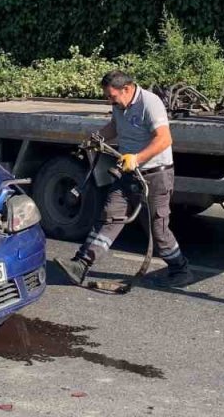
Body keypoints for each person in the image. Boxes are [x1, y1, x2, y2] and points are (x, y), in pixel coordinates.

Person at [55, 70, 192, 288]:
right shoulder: (120, 105)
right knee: (109, 216)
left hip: (156, 175)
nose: (110, 101)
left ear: (126, 89)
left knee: (158, 229)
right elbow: (115, 126)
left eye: (112, 96)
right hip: (128, 173)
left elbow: (164, 139)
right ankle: (80, 264)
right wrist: (97, 138)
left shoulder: (150, 103)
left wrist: (137, 158)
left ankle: (180, 268)